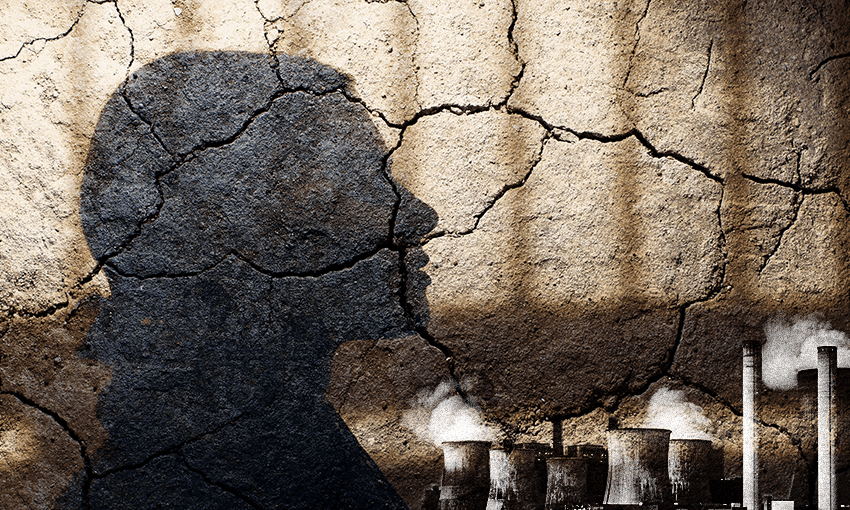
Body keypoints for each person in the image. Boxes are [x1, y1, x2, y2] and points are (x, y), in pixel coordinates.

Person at [78, 50, 435, 509]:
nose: (420, 216)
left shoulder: (292, 451)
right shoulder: (210, 481)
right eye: (360, 182)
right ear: (233, 232)